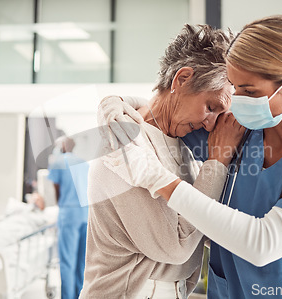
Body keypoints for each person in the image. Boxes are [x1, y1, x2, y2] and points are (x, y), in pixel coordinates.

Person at [103, 15, 282, 298]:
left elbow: (263, 244)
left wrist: (157, 179)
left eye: (249, 91)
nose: (237, 99)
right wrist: (113, 106)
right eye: (234, 86)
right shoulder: (234, 131)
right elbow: (161, 115)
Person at [81, 24, 238, 299]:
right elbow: (175, 246)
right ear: (182, 79)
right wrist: (217, 161)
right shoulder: (123, 144)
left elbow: (205, 225)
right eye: (211, 106)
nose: (211, 123)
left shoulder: (184, 143)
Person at [48, 136, 89, 299]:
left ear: (62, 146)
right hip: (86, 214)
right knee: (81, 262)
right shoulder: (84, 163)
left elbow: (56, 189)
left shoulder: (58, 162)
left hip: (69, 214)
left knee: (67, 261)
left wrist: (61, 202)